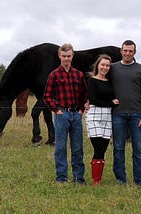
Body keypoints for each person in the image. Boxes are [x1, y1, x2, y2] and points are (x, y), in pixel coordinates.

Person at [43, 43, 88, 184]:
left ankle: (78, 178)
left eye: (69, 56)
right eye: (64, 56)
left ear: (72, 56)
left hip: (76, 115)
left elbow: (84, 94)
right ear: (59, 56)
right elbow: (47, 96)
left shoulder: (79, 75)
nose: (66, 59)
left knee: (77, 148)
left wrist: (81, 110)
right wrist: (57, 110)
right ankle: (61, 178)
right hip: (62, 115)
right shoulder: (54, 75)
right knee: (60, 148)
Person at [109, 40, 141, 186]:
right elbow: (103, 86)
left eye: (130, 51)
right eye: (125, 51)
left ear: (134, 52)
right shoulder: (113, 68)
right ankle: (121, 179)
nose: (127, 53)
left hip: (136, 115)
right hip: (117, 115)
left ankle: (139, 180)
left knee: (138, 149)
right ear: (121, 51)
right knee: (118, 147)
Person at [85, 54, 119, 186]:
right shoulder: (92, 80)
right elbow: (93, 99)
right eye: (102, 65)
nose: (104, 67)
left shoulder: (110, 82)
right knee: (98, 147)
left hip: (107, 117)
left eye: (107, 65)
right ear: (97, 65)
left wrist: (111, 103)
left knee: (103, 149)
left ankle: (98, 178)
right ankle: (95, 181)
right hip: (94, 116)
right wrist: (111, 103)